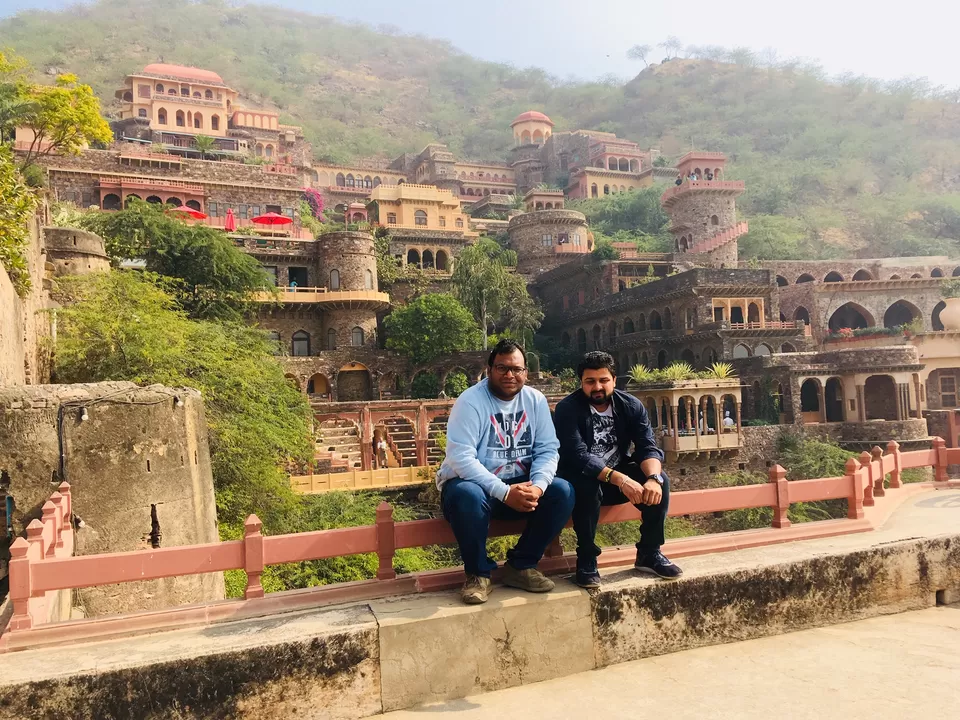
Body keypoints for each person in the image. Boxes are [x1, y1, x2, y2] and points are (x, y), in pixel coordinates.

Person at [436, 339, 575, 605]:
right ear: (489, 369)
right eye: (502, 368)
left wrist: (538, 487)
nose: (509, 375)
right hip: (479, 491)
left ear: (526, 372)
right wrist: (503, 491)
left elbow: (548, 449)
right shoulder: (470, 402)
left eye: (517, 369)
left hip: (520, 489)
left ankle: (521, 566)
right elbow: (460, 458)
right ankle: (477, 574)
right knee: (466, 493)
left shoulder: (535, 400)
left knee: (562, 491)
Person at [555, 351, 682, 589]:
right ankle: (587, 559)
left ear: (614, 380)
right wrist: (620, 479)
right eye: (590, 381)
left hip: (618, 475)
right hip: (582, 480)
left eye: (603, 380)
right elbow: (578, 457)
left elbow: (647, 447)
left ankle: (649, 552)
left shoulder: (630, 406)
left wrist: (653, 478)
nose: (597, 387)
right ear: (581, 383)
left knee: (661, 479)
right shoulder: (567, 409)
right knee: (587, 484)